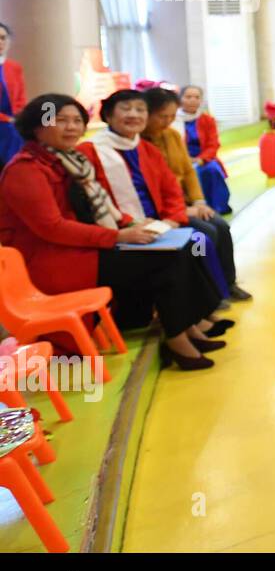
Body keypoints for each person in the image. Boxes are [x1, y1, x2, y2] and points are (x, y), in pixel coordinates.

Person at [0, 93, 226, 370]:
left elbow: (110, 206)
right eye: (60, 121)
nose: (71, 127)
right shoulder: (28, 169)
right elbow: (52, 227)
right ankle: (178, 339)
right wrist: (118, 236)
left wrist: (137, 224)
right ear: (37, 126)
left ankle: (190, 326)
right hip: (54, 259)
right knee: (168, 259)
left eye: (76, 121)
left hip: (87, 244)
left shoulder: (71, 162)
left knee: (191, 243)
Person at [143, 87, 251, 302]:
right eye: (162, 116)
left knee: (221, 226)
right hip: (166, 211)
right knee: (203, 235)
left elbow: (188, 173)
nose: (166, 122)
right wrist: (182, 210)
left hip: (185, 203)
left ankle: (227, 283)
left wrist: (200, 201)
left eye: (171, 117)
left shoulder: (173, 136)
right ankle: (208, 289)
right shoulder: (141, 144)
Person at [175, 85, 232, 215]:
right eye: (188, 97)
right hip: (180, 160)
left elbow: (213, 144)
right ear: (180, 99)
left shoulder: (207, 120)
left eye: (197, 97)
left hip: (204, 158)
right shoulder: (173, 119)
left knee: (211, 170)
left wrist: (201, 159)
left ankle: (216, 207)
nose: (193, 100)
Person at [0, 21, 28, 168]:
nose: (0, 42)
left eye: (3, 38)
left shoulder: (14, 67)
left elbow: (21, 98)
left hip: (12, 123)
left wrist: (18, 117)